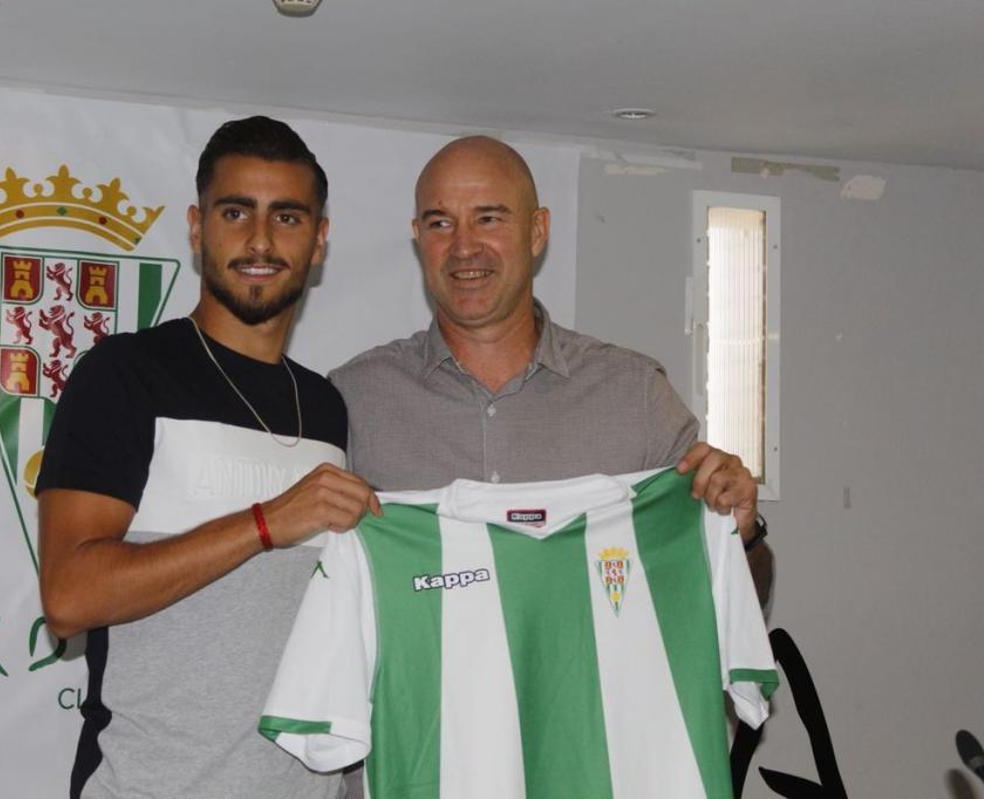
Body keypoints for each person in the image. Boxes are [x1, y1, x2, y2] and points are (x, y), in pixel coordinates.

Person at [36, 116, 378, 799]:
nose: (259, 240)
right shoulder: (124, 375)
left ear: (319, 240)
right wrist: (263, 523)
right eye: (235, 212)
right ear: (197, 228)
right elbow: (69, 598)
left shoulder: (327, 407)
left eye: (287, 217)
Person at [330, 135, 772, 599]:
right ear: (419, 237)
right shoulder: (356, 399)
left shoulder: (635, 397)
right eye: (441, 223)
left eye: (488, 218)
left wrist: (743, 534)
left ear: (537, 231)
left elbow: (738, 599)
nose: (463, 247)